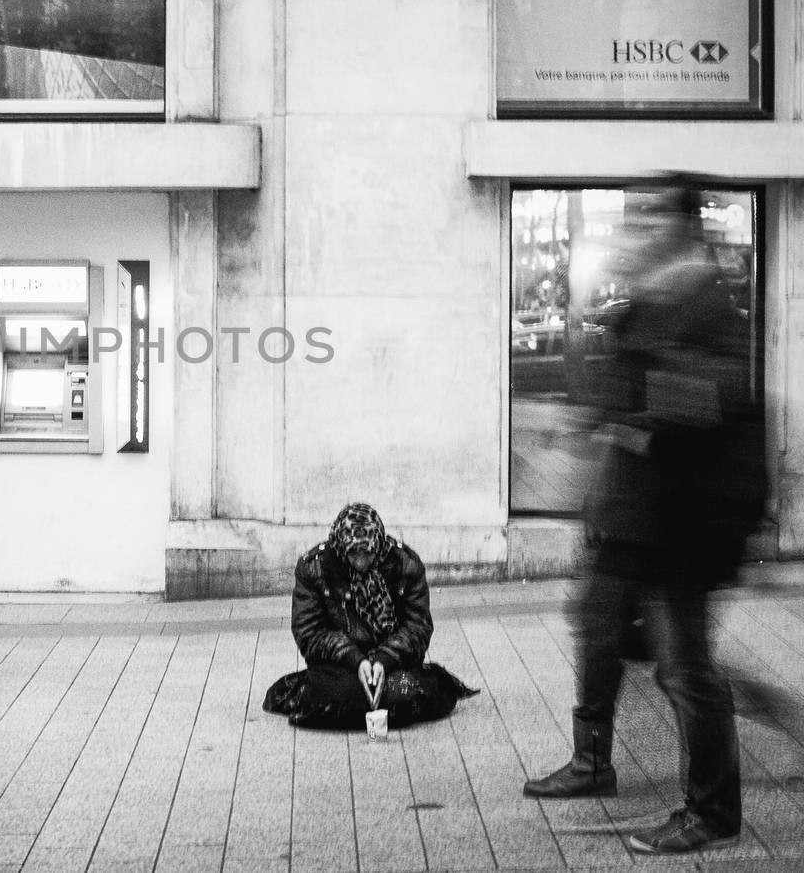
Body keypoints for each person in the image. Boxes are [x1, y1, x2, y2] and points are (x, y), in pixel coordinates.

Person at [524, 184, 762, 856]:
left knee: (685, 669)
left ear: (689, 226)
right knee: (594, 621)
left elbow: (717, 396)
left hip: (680, 523)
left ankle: (713, 811)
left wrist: (641, 385)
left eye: (657, 214)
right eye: (640, 215)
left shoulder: (713, 305)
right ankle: (592, 761)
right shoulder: (649, 298)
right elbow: (611, 394)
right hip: (628, 514)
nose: (643, 226)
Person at [263, 502, 476, 730]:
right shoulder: (314, 567)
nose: (361, 562)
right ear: (341, 546)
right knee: (337, 696)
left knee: (401, 695)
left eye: (368, 552)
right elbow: (309, 632)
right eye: (353, 552)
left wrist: (384, 659)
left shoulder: (406, 564)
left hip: (394, 661)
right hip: (340, 664)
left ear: (379, 545)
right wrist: (356, 660)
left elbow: (418, 627)